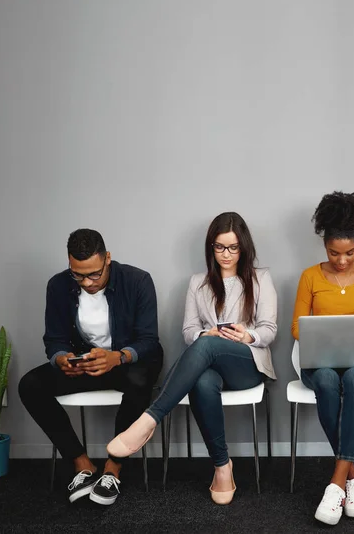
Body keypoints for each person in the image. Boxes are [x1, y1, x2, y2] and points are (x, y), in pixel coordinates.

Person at [107, 212, 277, 505]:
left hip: (247, 363)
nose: (226, 254)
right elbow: (188, 331)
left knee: (207, 347)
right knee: (202, 376)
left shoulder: (260, 278)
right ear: (211, 247)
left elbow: (269, 329)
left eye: (233, 247)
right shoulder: (198, 283)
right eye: (220, 247)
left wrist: (246, 336)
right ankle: (222, 466)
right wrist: (205, 335)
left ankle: (148, 419)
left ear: (244, 247)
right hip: (209, 364)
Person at [18, 229, 163, 505]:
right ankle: (82, 464)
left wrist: (117, 357)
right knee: (30, 385)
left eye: (94, 274)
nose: (87, 282)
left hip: (126, 364)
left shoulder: (138, 280)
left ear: (107, 258)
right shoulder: (58, 285)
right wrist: (61, 358)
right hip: (86, 364)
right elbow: (54, 339)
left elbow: (149, 341)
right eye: (78, 274)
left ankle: (113, 468)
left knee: (140, 380)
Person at [291, 191, 354, 526]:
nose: (342, 260)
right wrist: (327, 337)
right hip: (319, 363)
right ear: (324, 244)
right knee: (329, 379)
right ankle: (352, 478)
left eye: (349, 252)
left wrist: (352, 338)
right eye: (334, 252)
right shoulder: (310, 277)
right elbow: (297, 327)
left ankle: (336, 483)